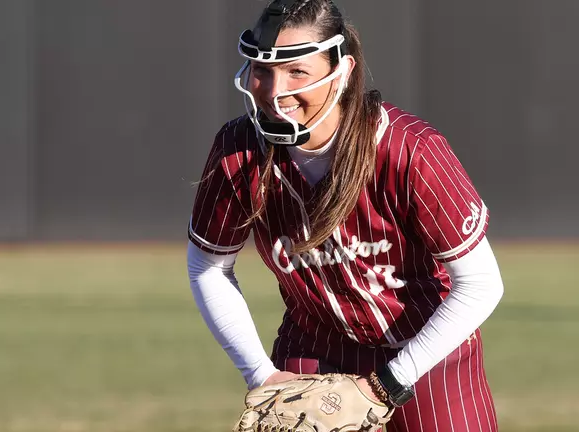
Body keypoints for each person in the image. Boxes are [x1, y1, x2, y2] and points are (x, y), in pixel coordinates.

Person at [186, 1, 505, 431]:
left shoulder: (408, 148)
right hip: (314, 347)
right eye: (262, 70)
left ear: (343, 70)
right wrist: (261, 374)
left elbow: (480, 284)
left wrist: (388, 383)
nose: (273, 89)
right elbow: (208, 266)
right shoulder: (238, 149)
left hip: (428, 352)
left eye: (297, 71)